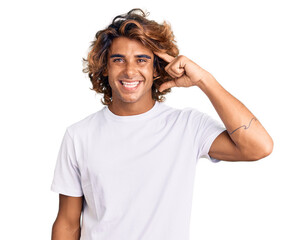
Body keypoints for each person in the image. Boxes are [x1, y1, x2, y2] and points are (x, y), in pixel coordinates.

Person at [50, 8, 273, 240]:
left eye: (141, 59)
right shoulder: (79, 135)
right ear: (105, 67)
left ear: (156, 67)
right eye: (118, 60)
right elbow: (67, 223)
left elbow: (259, 146)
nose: (129, 70)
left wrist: (204, 80)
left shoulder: (187, 126)